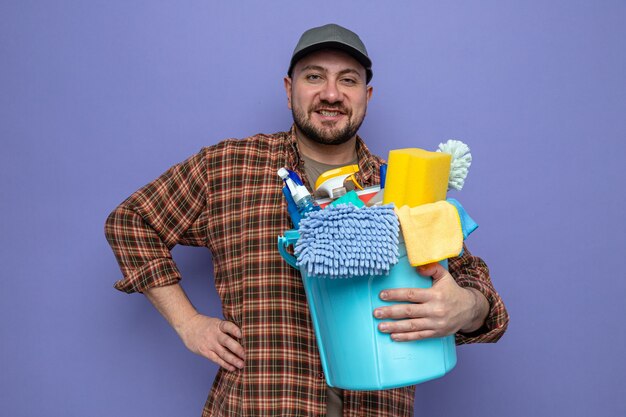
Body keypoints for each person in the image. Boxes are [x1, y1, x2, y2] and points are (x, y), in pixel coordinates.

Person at [105, 23, 509, 417]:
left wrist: (465, 306)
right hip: (258, 405)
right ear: (288, 90)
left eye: (348, 81)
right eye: (314, 77)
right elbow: (131, 222)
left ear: (366, 95)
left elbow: (482, 296)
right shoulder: (226, 168)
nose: (331, 94)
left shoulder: (403, 186)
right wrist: (188, 322)